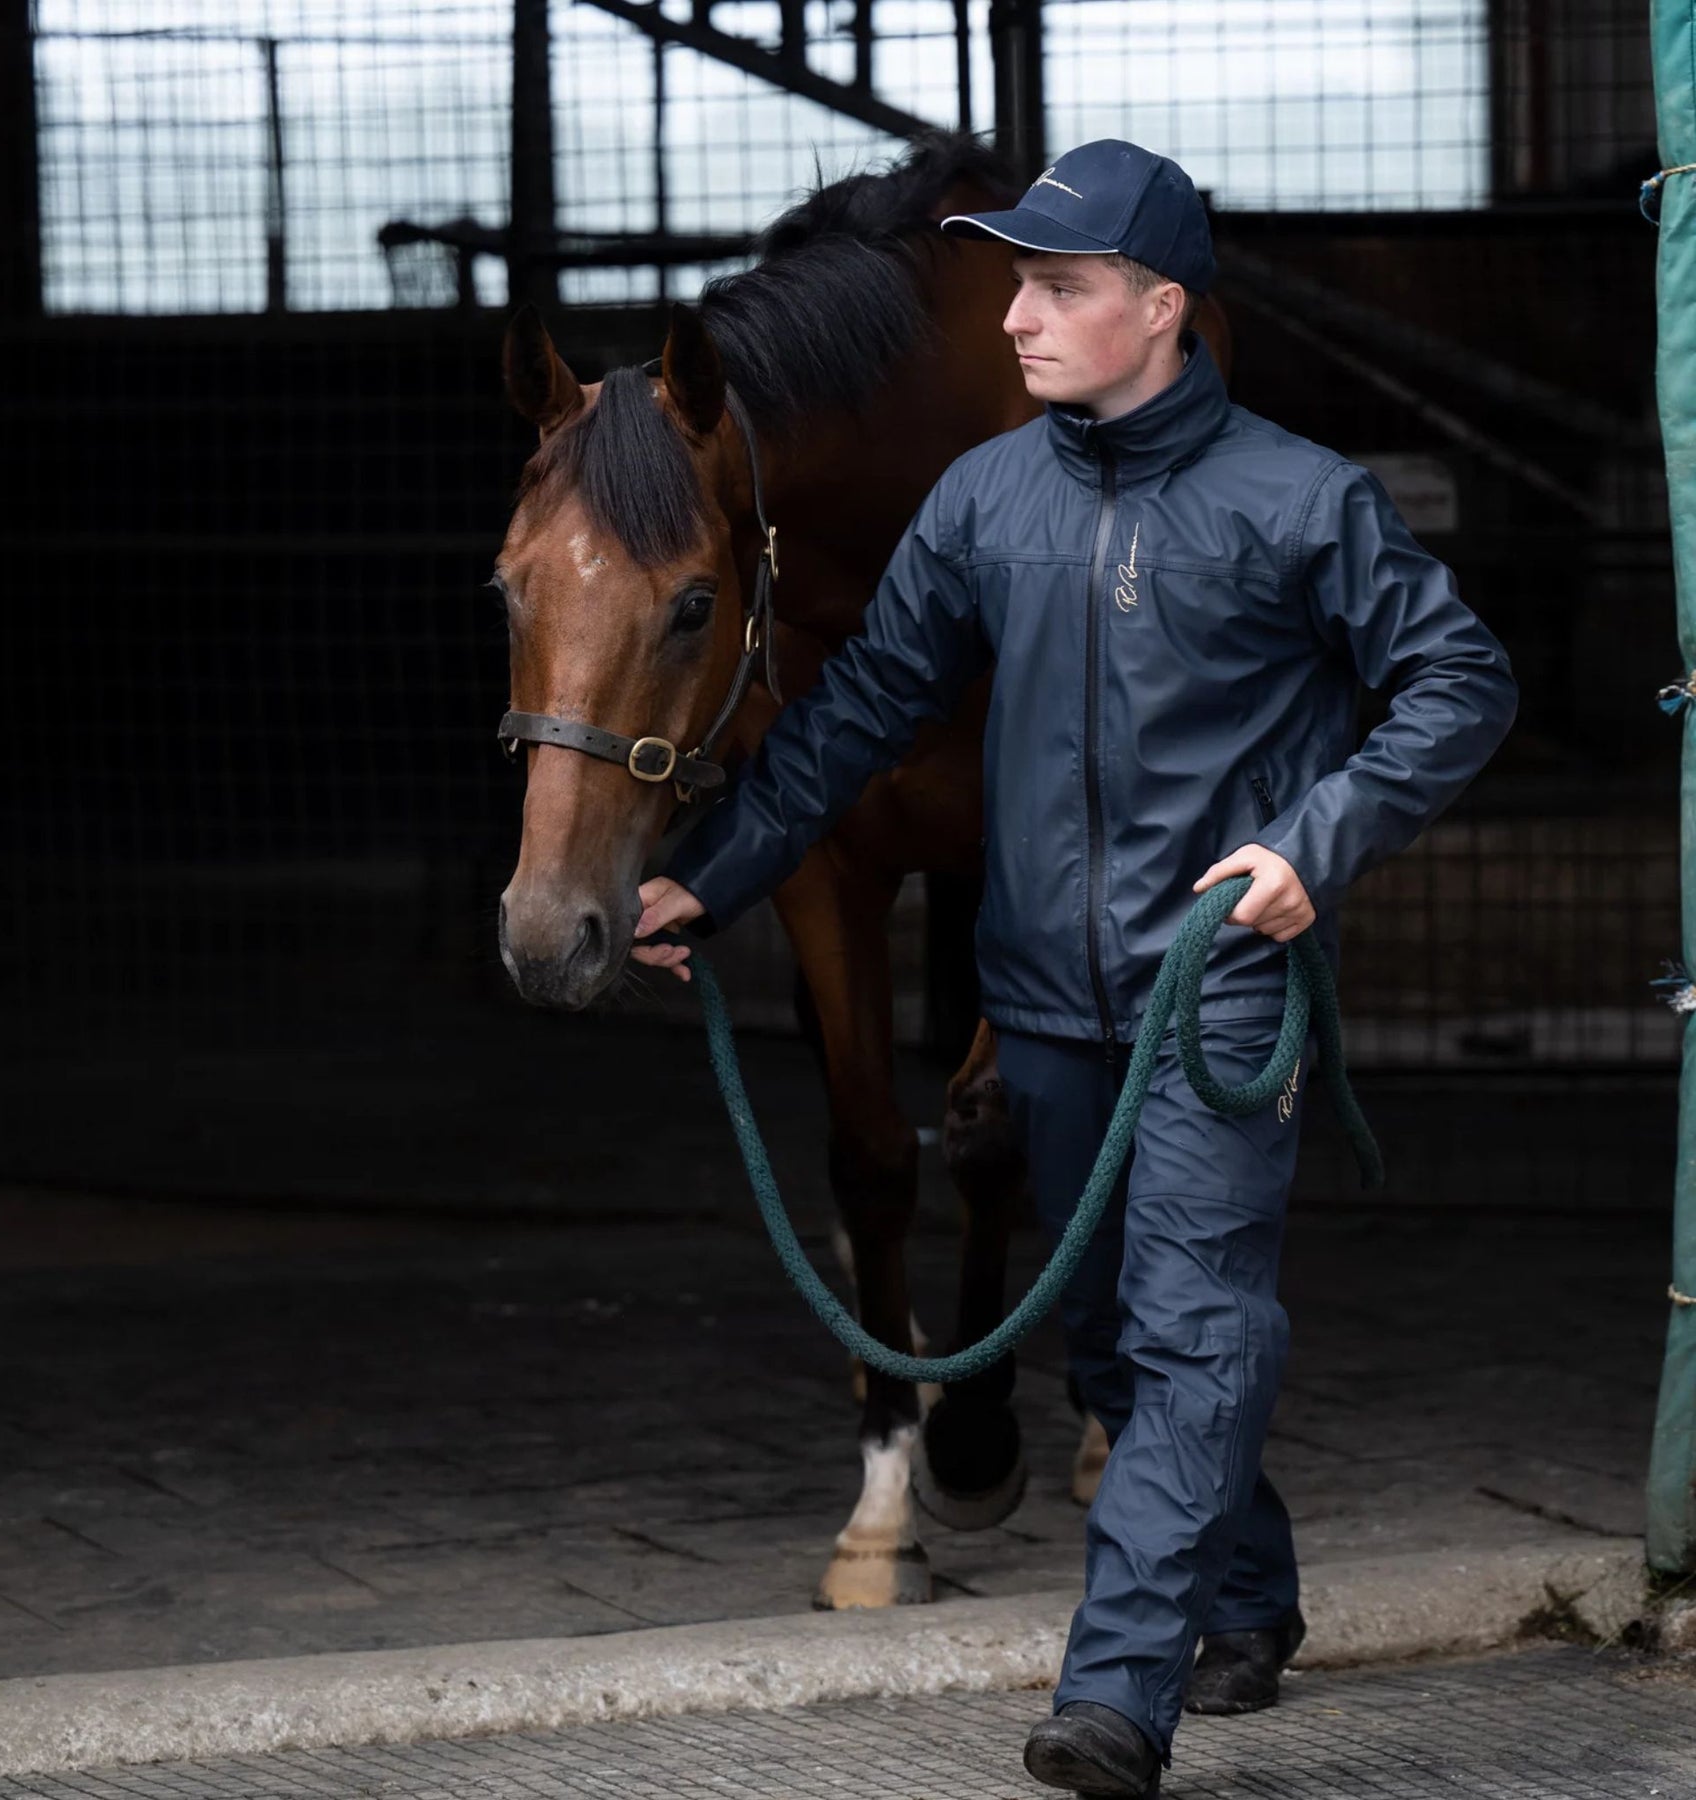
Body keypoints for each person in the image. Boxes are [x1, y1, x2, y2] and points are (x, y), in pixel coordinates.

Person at [629, 139, 1518, 1799]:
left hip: (1215, 993)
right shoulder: (986, 498)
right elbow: (850, 724)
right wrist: (706, 879)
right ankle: (1246, 1594)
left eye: (1059, 288)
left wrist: (1312, 845)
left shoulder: (1298, 499)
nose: (1019, 318)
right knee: (1112, 1338)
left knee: (1194, 1326)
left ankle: (1119, 1696)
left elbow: (1461, 683)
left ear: (1161, 310)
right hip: (1040, 1000)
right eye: (1021, 285)